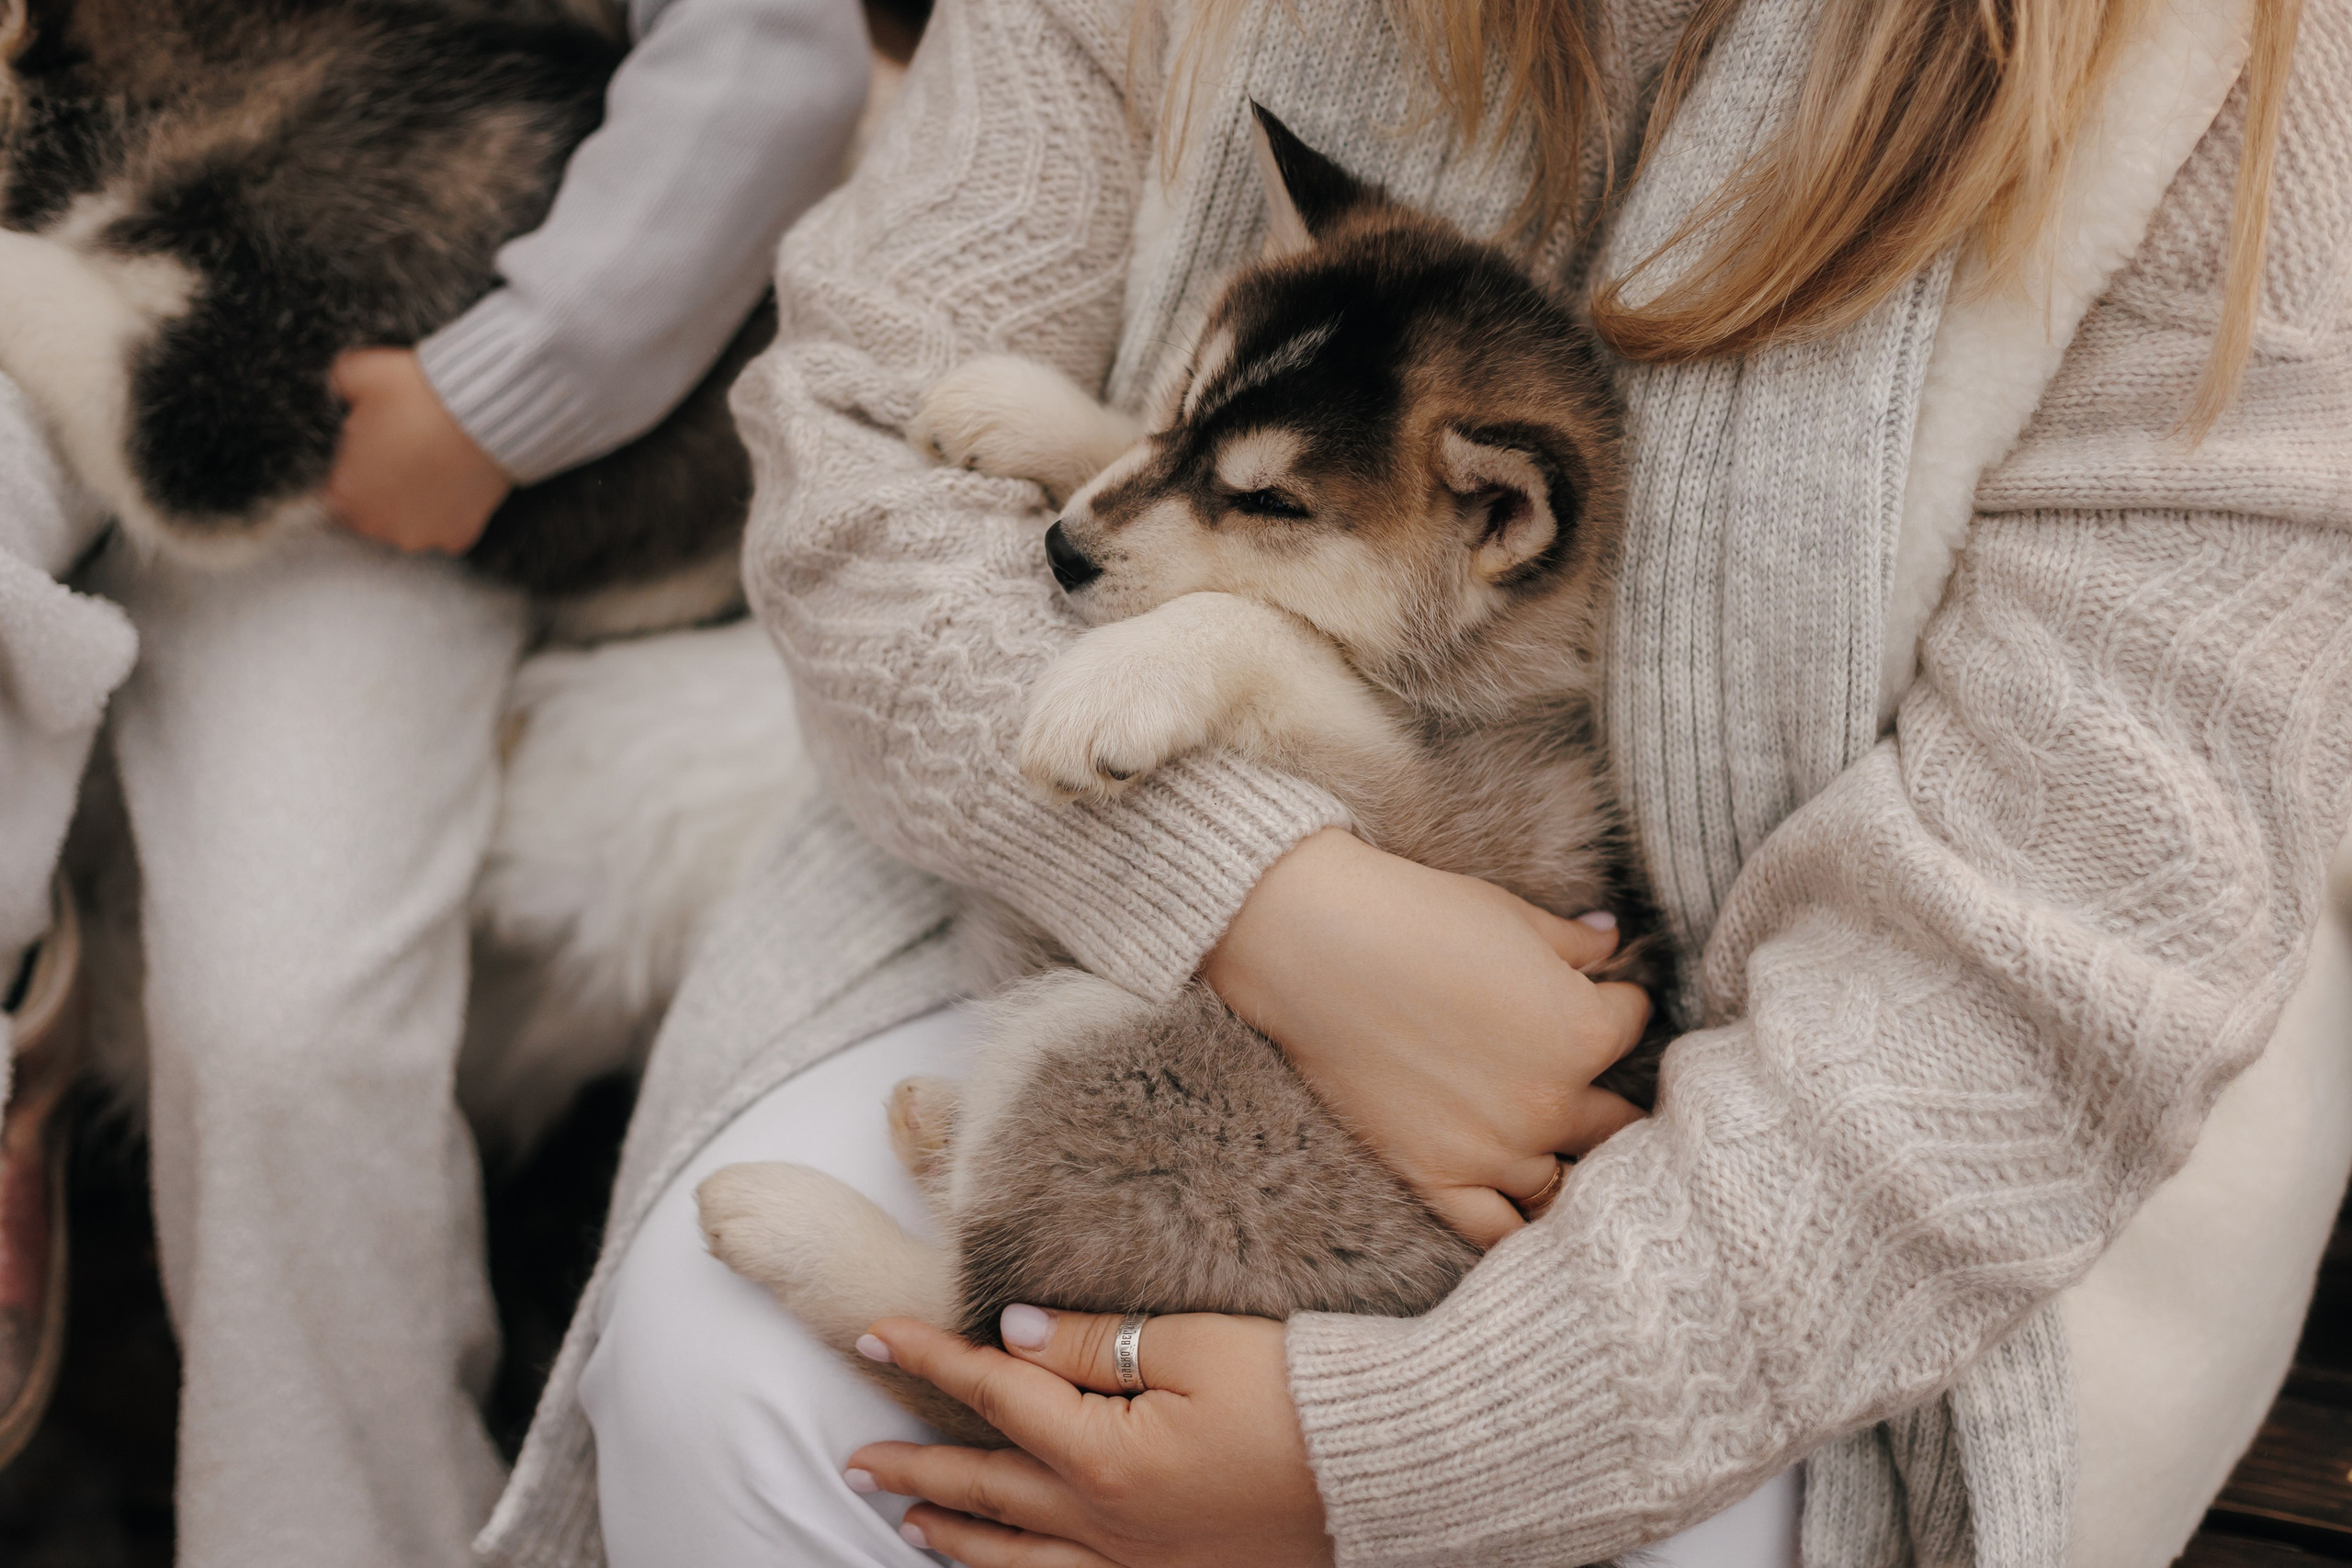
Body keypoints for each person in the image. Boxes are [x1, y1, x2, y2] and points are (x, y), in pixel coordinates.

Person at [475, 0, 2352, 1563]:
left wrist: (1379, 1454)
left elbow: (2029, 988)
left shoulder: (2238, 93)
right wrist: (1260, 897)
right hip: (1100, 903)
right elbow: (865, 441)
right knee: (717, 1373)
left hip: (1824, 1220)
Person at [0, 0, 868, 1561]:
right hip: (66, 249)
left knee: (290, 1023)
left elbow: (766, 54)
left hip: (365, 360)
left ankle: (345, 1530)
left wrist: (505, 389)